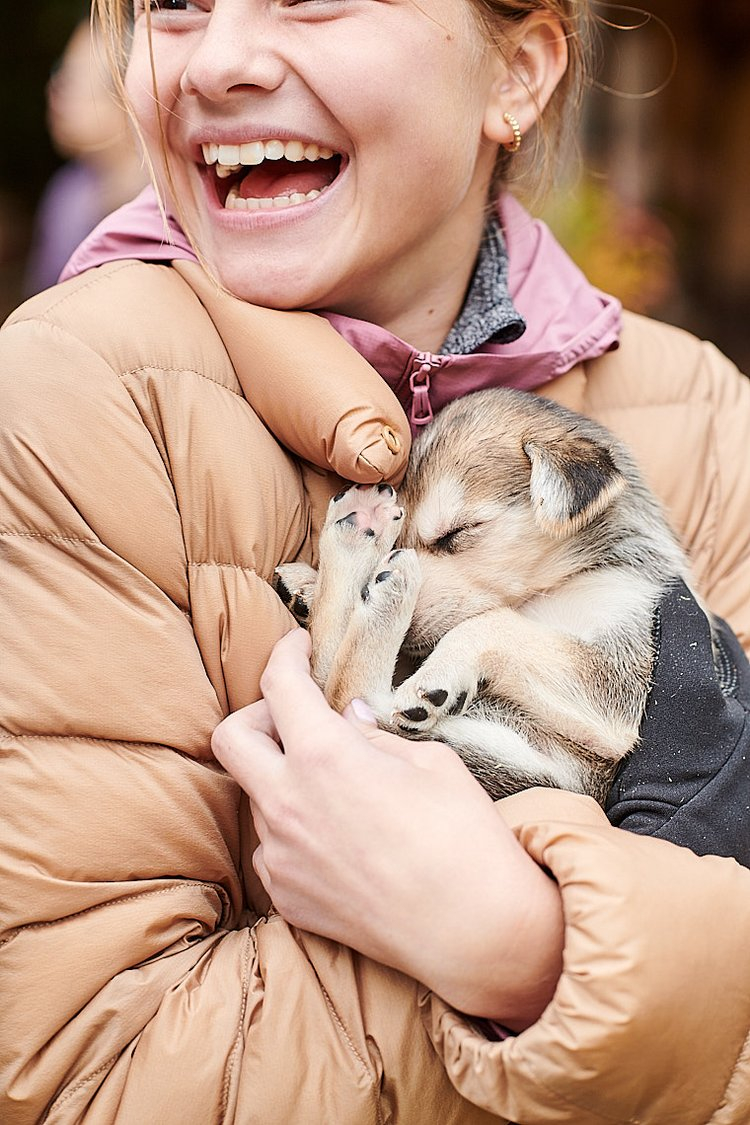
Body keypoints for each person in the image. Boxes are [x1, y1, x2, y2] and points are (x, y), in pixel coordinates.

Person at [2, 1, 750, 1123]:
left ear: (522, 73)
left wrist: (524, 947)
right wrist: (593, 979)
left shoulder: (701, 418)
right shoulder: (72, 404)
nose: (222, 58)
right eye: (174, 7)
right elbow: (79, 1074)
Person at [23, 17, 147, 295]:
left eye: (70, 80)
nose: (53, 91)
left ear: (127, 97)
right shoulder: (68, 191)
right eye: (58, 74)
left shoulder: (171, 204)